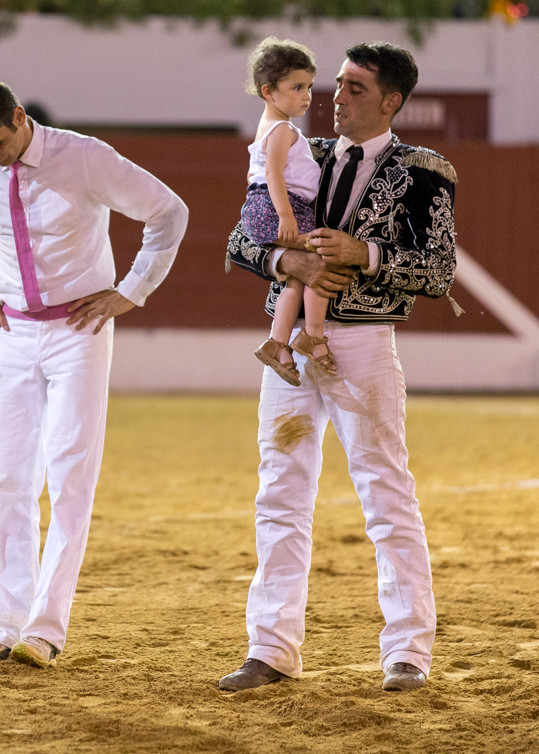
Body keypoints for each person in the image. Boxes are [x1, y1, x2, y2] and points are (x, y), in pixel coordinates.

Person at [222, 41, 457, 692]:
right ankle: (270, 650)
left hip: (361, 345)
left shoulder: (425, 170)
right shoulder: (301, 149)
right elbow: (243, 238)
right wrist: (281, 263)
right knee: (279, 492)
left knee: (385, 493)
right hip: (291, 342)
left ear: (391, 101)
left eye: (355, 87)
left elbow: (437, 271)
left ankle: (407, 653)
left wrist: (367, 252)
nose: (336, 95)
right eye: (336, 84)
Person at [0, 79, 187, 668]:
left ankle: (45, 629)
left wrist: (130, 292)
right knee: (7, 476)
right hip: (15, 332)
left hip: (79, 330)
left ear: (19, 117)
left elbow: (168, 212)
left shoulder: (84, 157)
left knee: (70, 475)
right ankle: (2, 625)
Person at [234, 37, 336, 387]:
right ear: (268, 91)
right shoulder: (281, 130)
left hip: (269, 206)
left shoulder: (275, 128)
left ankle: (279, 344)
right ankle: (313, 335)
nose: (306, 95)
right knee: (324, 259)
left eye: (308, 86)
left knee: (298, 275)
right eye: (296, 87)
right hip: (277, 207)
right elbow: (274, 174)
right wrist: (286, 217)